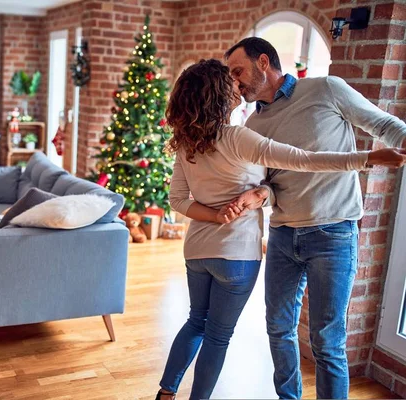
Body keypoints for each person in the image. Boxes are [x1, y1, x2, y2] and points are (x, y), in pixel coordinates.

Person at [154, 59, 405, 400]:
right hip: (238, 253)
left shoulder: (187, 144)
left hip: (198, 250)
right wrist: (367, 159)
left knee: (197, 322)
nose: (236, 85)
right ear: (218, 96)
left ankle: (166, 394)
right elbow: (304, 160)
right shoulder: (243, 134)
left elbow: (179, 200)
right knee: (220, 335)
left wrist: (222, 212)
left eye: (237, 72)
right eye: (229, 80)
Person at [224, 37, 406, 399]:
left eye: (237, 71)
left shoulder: (326, 89)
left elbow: (385, 125)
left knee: (326, 342)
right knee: (278, 328)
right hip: (282, 236)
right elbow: (272, 183)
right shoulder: (253, 127)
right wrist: (261, 193)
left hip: (333, 235)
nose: (234, 82)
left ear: (264, 62)